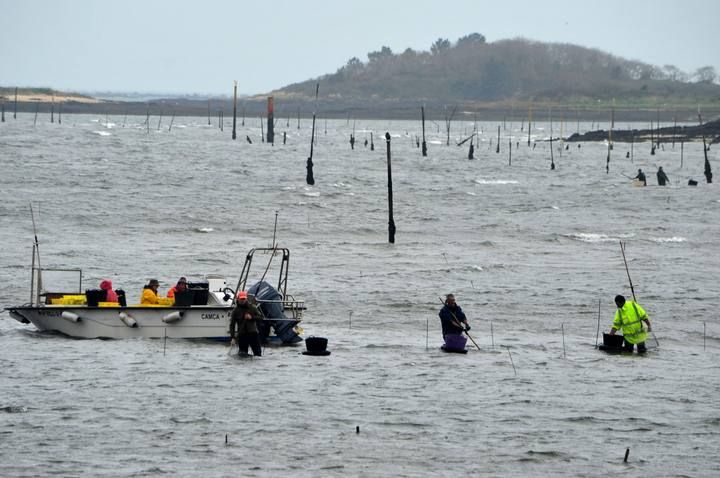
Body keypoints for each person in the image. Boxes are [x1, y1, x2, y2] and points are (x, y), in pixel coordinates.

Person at [229, 290, 263, 356]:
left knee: (258, 354)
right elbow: (232, 325)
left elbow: (260, 317)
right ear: (238, 299)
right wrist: (232, 337)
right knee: (243, 355)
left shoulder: (252, 307)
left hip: (253, 334)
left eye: (244, 299)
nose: (243, 300)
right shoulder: (235, 311)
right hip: (242, 335)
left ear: (246, 299)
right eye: (241, 299)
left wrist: (251, 317)